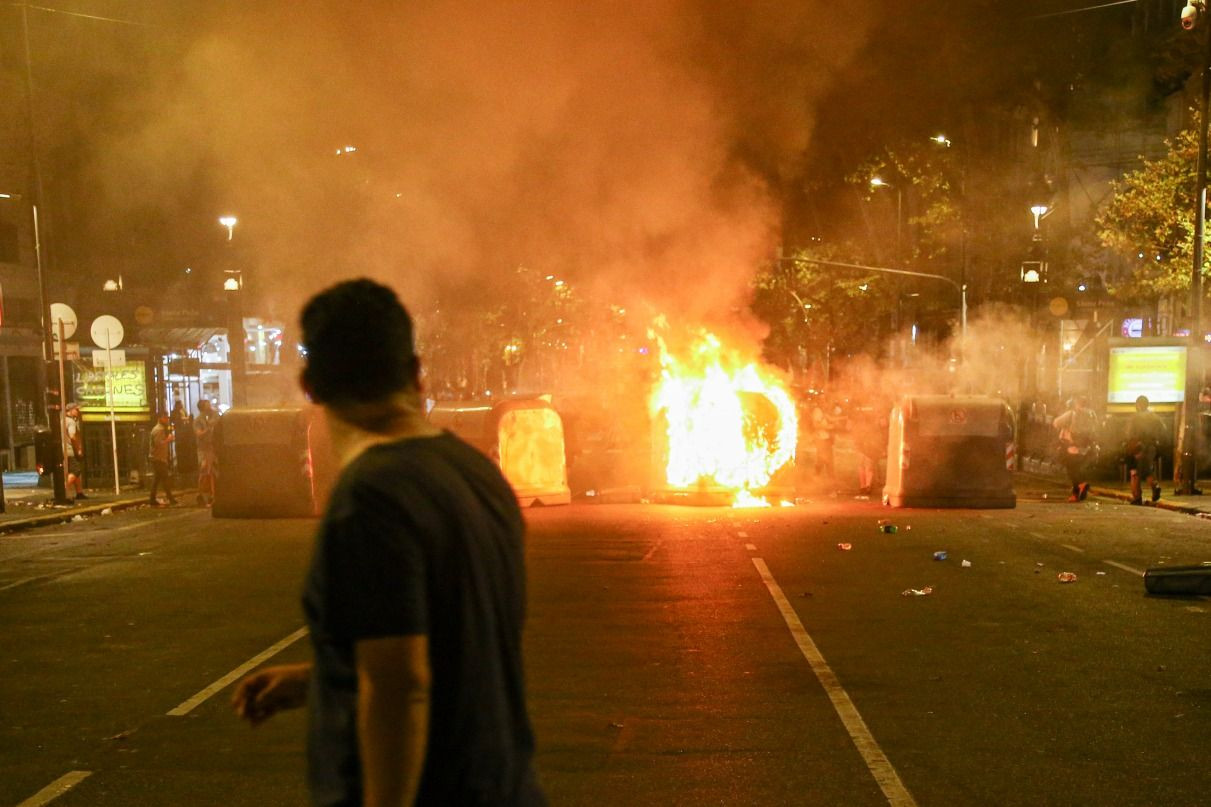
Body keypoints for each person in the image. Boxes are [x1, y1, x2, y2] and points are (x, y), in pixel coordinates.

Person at [232, 279, 545, 806]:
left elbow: (400, 687)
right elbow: (454, 646)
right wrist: (325, 678)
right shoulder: (477, 474)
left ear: (310, 387)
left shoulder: (370, 498)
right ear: (416, 374)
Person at [1052, 395, 1100, 502]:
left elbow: (1056, 422)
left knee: (1071, 468)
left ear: (1078, 403)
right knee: (1078, 468)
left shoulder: (1072, 413)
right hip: (1086, 447)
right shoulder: (1093, 414)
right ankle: (1076, 493)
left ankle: (1080, 486)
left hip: (1072, 445)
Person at [1125, 394, 1166, 505]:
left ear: (1138, 405)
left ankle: (1137, 496)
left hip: (1138, 445)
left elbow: (1129, 434)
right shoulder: (1155, 417)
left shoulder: (1135, 417)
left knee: (1135, 472)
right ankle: (1154, 485)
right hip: (1151, 446)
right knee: (1147, 468)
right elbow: (1163, 430)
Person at [148, 412, 177, 506]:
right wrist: (168, 440)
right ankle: (171, 498)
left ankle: (152, 499)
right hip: (158, 458)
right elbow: (158, 444)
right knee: (165, 479)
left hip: (158, 457)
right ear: (161, 418)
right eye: (166, 418)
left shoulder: (160, 429)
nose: (167, 420)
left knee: (157, 479)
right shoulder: (159, 430)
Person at [194, 399, 219, 506]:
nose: (210, 407)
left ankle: (212, 495)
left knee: (212, 471)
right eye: (207, 405)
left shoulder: (212, 417)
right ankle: (200, 493)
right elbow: (199, 434)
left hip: (210, 447)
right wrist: (208, 429)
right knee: (204, 470)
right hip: (203, 449)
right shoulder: (198, 420)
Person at [64, 403, 86, 500]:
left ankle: (79, 493)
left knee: (75, 471)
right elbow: (72, 436)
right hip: (70, 450)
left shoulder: (62, 420)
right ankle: (63, 490)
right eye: (76, 410)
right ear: (71, 410)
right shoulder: (71, 422)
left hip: (63, 450)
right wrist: (78, 449)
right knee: (76, 470)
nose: (78, 412)